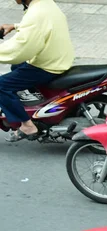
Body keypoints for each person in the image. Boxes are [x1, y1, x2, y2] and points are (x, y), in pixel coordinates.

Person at [0, 0, 74, 142]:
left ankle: (27, 125)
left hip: (47, 65)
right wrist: (15, 26)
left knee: (2, 85)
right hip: (57, 57)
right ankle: (28, 106)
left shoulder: (36, 13)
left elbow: (20, 49)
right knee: (16, 67)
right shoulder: (45, 3)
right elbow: (40, 27)